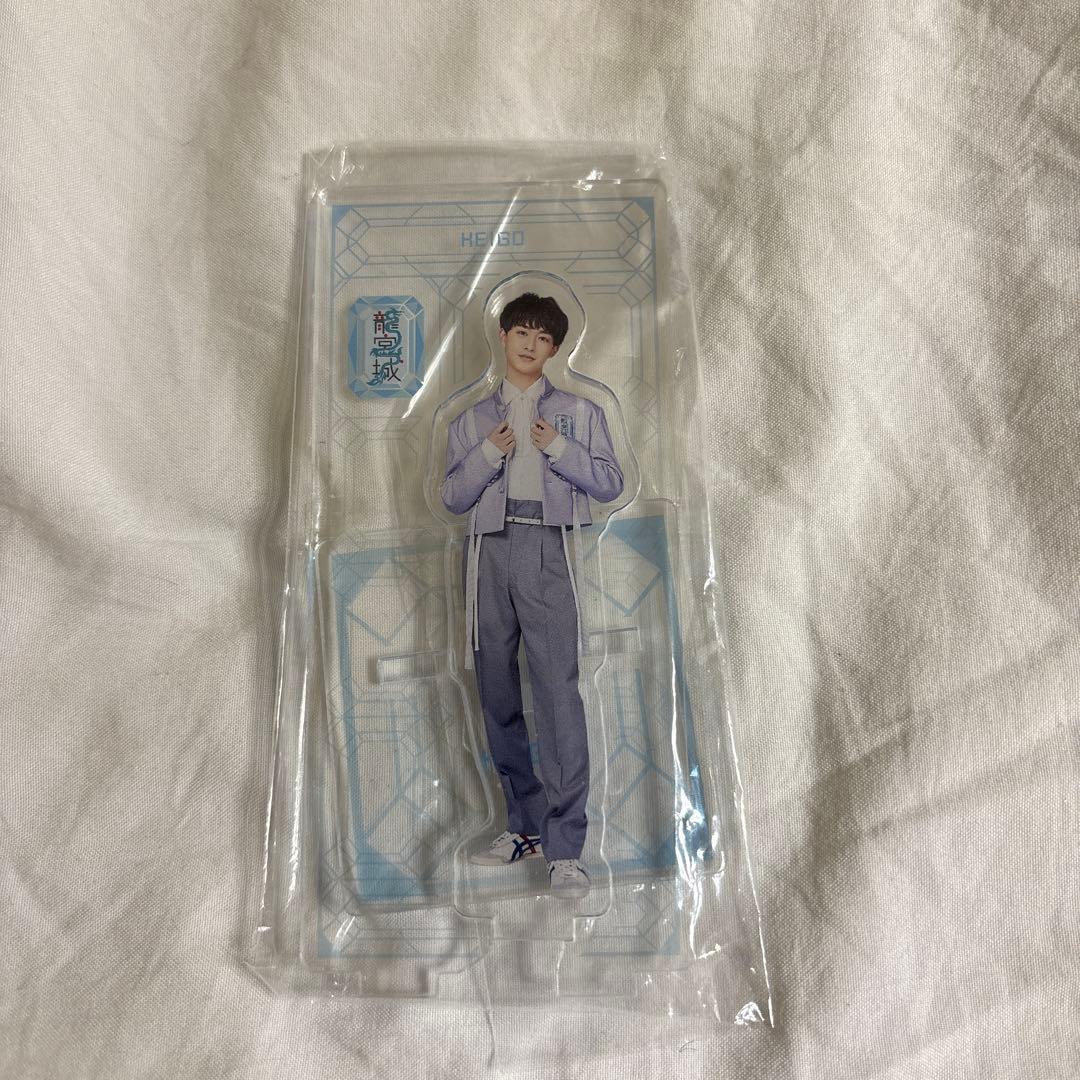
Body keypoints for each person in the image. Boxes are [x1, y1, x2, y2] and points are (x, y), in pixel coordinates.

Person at [441, 292, 623, 900]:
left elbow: (610, 482)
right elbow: (453, 497)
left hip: (547, 546)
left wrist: (559, 448)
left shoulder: (578, 412)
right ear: (501, 334)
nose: (529, 344)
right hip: (486, 551)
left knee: (556, 693)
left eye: (543, 337)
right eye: (521, 331)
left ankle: (566, 848)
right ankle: (524, 826)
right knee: (495, 688)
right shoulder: (470, 420)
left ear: (556, 348)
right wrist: (489, 452)